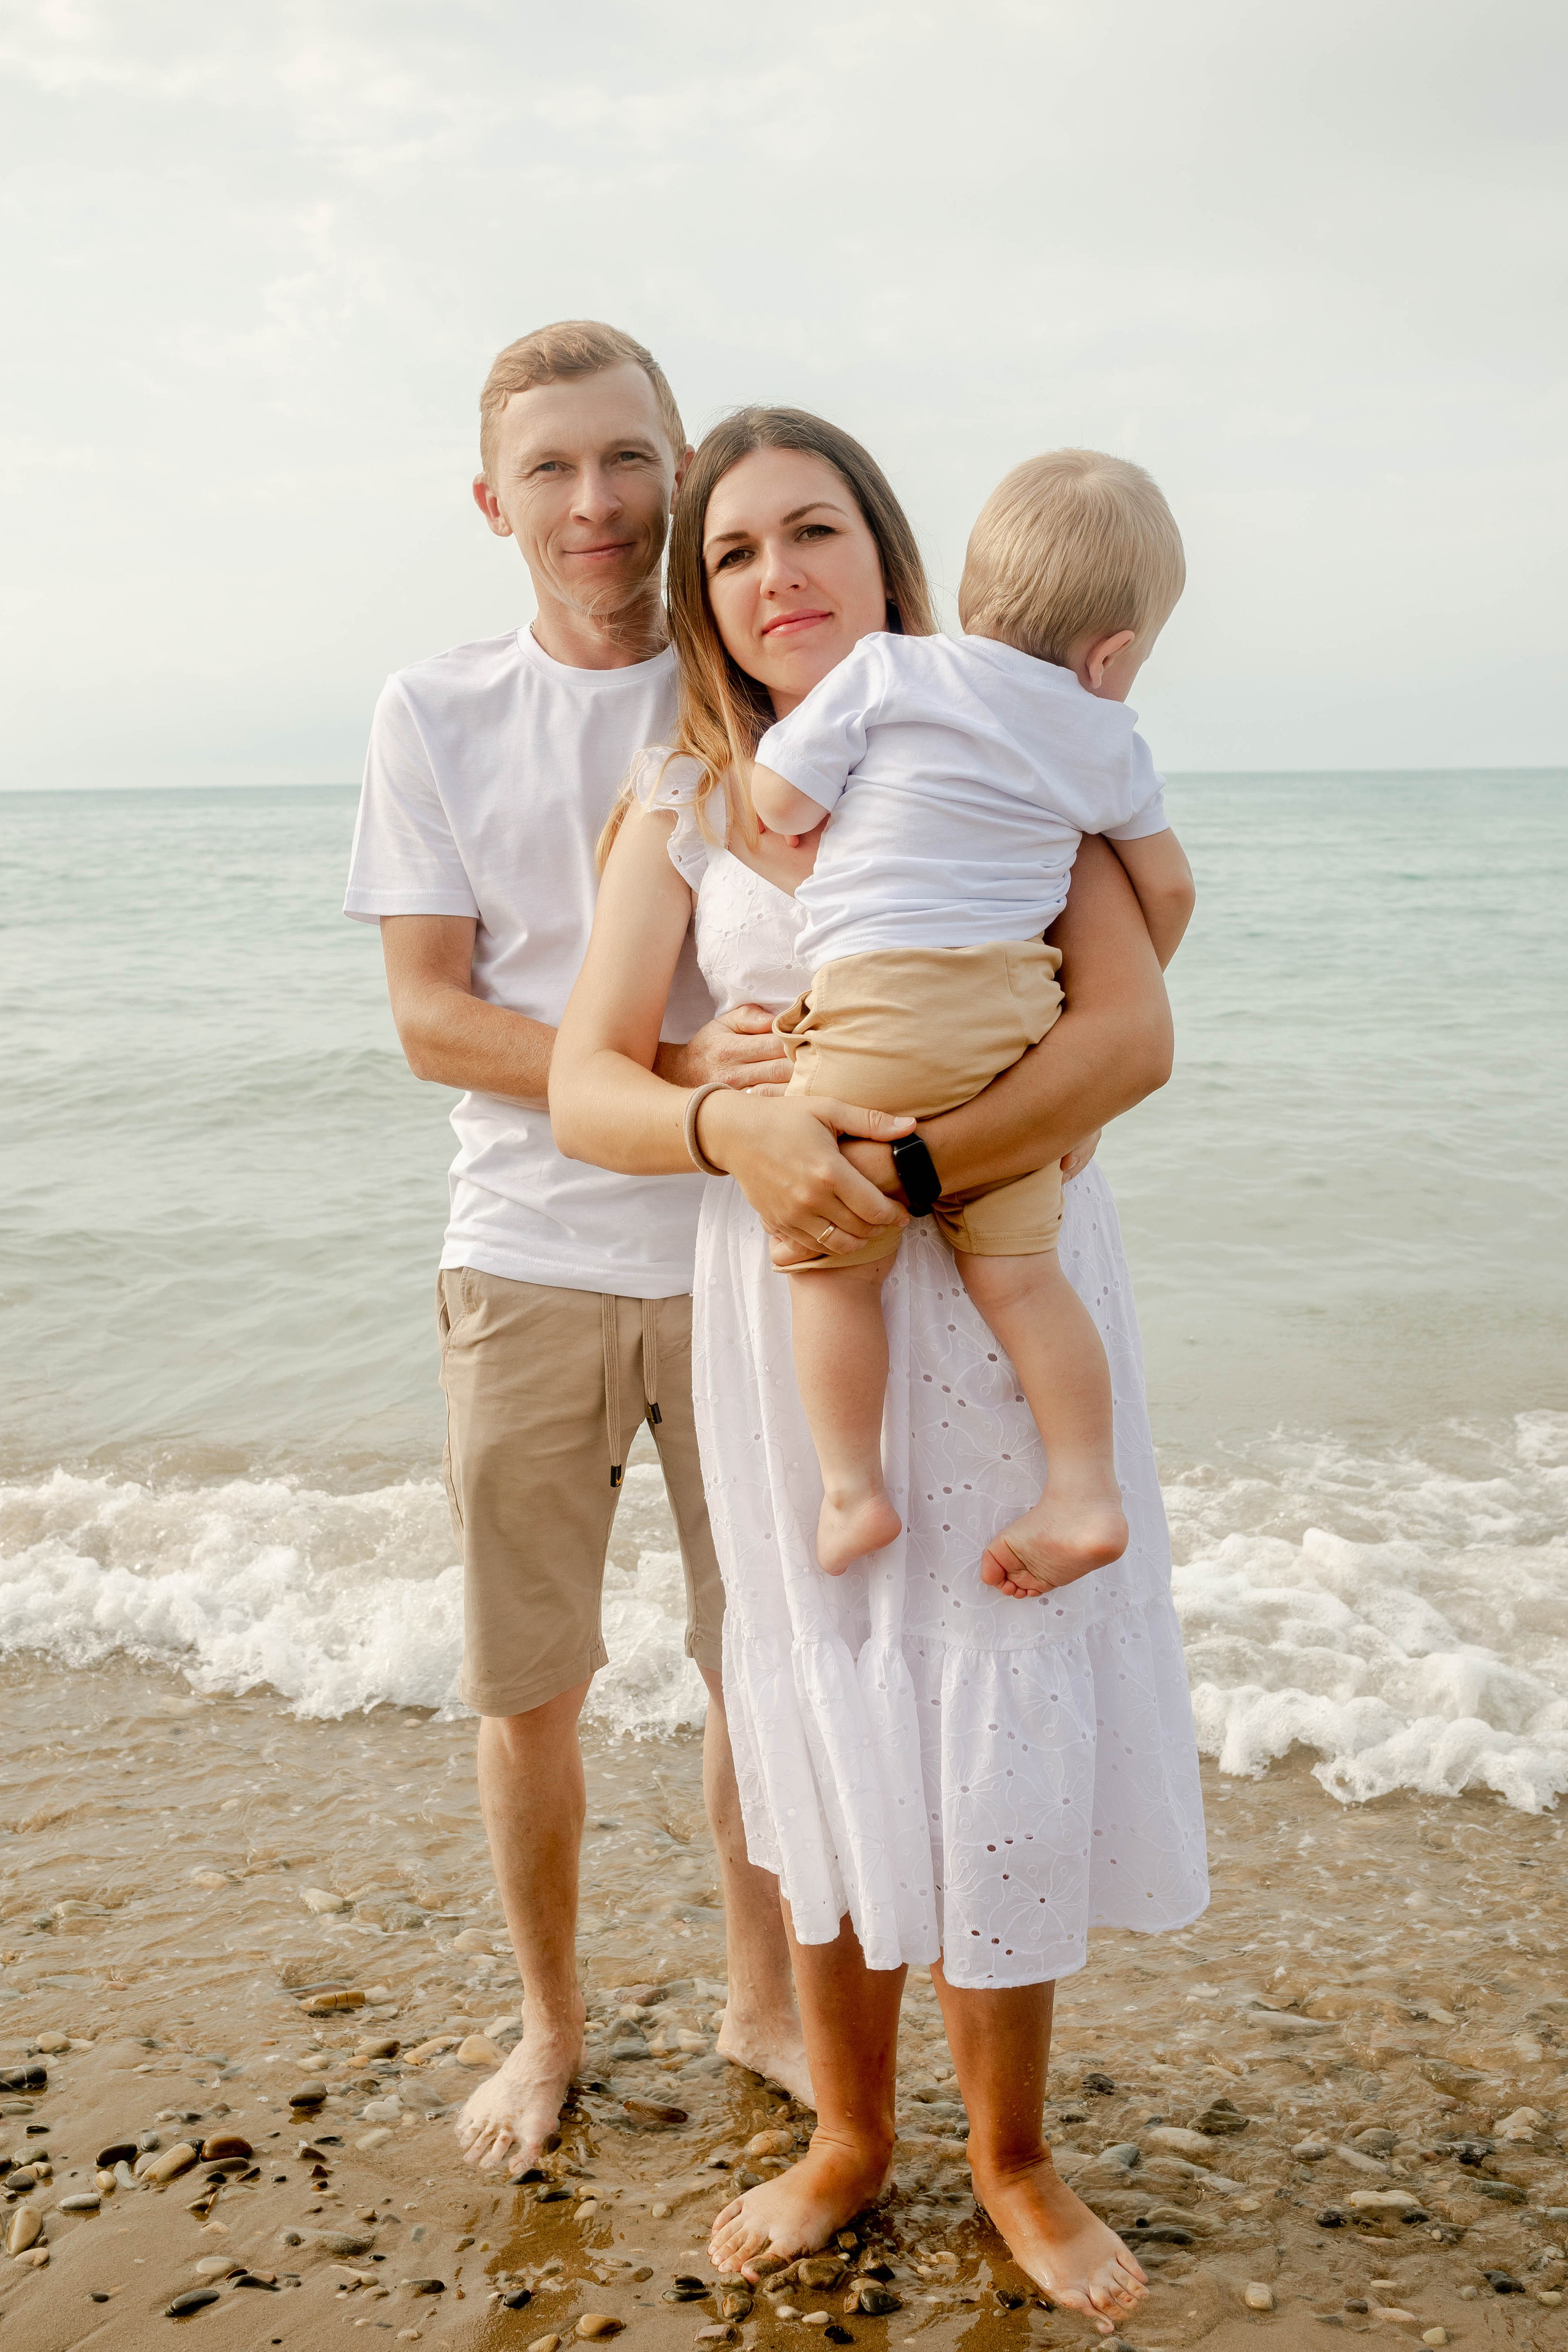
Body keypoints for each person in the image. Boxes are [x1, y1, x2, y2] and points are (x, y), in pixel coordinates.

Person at [550, 407, 1210, 2337]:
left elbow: (1130, 1033)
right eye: (735, 550)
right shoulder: (687, 798)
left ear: (887, 549)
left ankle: (1013, 2153)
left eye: (813, 529)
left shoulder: (1005, 739)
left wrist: (921, 1171)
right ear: (705, 600)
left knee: (1000, 1700)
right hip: (796, 1302)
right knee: (829, 1694)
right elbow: (588, 1080)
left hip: (997, 1281)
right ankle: (847, 2136)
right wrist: (728, 1127)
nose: (779, 574)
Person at [342, 322, 816, 2179]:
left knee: (758, 1663)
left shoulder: (758, 684)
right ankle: (550, 2027)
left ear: (681, 469)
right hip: (523, 1252)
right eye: (550, 468)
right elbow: (429, 1016)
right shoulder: (433, 711)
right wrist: (660, 1072)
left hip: (742, 1252)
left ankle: (760, 2002)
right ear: (494, 502)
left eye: (626, 459)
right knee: (530, 1683)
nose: (595, 502)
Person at [747, 449, 1196, 1589]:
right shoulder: (1109, 741)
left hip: (880, 1005)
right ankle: (1085, 1491)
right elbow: (1170, 890)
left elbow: (781, 800)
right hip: (1015, 1018)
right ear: (1113, 655)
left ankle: (853, 1492)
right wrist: (1084, 1020)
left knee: (831, 1265)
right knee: (1024, 1276)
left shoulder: (893, 670)